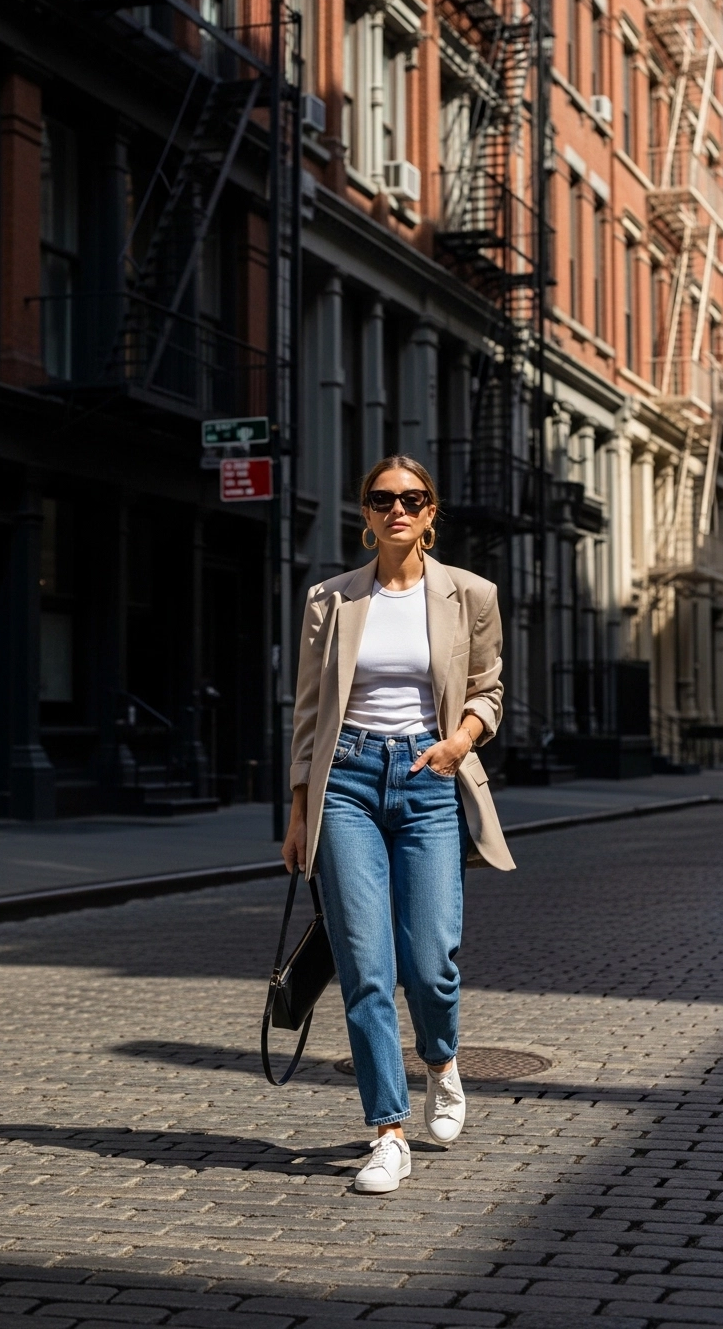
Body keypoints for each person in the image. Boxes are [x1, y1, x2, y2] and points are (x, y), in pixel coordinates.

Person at [282, 454, 515, 1193]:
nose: (398, 510)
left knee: (431, 961)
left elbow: (490, 690)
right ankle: (387, 1130)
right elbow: (310, 712)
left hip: (428, 779)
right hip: (345, 781)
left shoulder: (470, 594)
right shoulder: (332, 599)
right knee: (365, 964)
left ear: (432, 511)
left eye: (413, 499)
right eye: (384, 500)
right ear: (366, 513)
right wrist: (297, 808)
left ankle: (441, 1062)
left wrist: (459, 741)